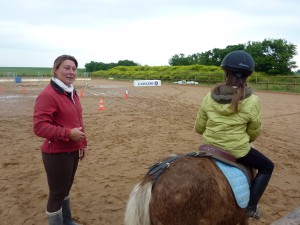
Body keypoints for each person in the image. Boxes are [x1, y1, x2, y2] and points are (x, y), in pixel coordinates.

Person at [194, 50, 274, 219]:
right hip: (236, 150)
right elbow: (254, 131)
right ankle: (251, 207)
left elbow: (199, 128)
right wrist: (244, 141)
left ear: (226, 73)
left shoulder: (209, 96)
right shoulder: (253, 100)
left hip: (209, 146)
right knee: (267, 166)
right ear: (247, 76)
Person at [33, 55, 87, 225]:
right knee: (57, 194)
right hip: (56, 153)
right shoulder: (48, 94)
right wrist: (67, 134)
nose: (71, 72)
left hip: (72, 150)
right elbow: (39, 127)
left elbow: (78, 120)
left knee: (65, 190)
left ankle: (67, 222)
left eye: (74, 68)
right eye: (66, 68)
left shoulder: (71, 91)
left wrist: (82, 143)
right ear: (55, 70)